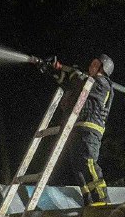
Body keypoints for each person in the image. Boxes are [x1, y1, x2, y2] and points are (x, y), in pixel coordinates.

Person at [43, 54, 115, 206]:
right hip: (76, 128)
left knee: (88, 162)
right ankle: (89, 201)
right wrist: (56, 71)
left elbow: (81, 85)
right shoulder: (86, 81)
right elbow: (71, 86)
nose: (91, 66)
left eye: (95, 64)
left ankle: (102, 200)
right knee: (78, 168)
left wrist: (74, 73)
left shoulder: (103, 83)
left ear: (104, 68)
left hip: (90, 129)